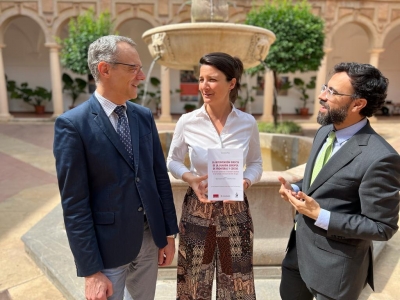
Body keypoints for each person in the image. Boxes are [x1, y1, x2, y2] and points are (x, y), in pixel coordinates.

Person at [53, 35, 179, 300]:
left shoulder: (143, 116)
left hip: (148, 241)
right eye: (133, 68)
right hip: (106, 251)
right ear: (104, 69)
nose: (142, 75)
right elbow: (74, 205)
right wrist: (91, 271)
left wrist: (168, 233)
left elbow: (159, 178)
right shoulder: (72, 125)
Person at [278, 62, 400, 300]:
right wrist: (295, 188)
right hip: (297, 257)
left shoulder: (381, 158)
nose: (322, 96)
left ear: (358, 103)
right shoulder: (325, 131)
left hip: (336, 274)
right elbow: (323, 178)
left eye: (332, 92)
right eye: (326, 87)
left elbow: (382, 227)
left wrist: (320, 215)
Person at [167, 52, 263, 299]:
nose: (204, 86)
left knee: (236, 284)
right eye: (201, 79)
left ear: (231, 83)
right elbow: (173, 160)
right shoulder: (188, 122)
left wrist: (246, 181)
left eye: (212, 79)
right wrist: (190, 178)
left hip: (235, 212)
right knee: (194, 281)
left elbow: (255, 163)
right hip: (199, 212)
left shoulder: (247, 123)